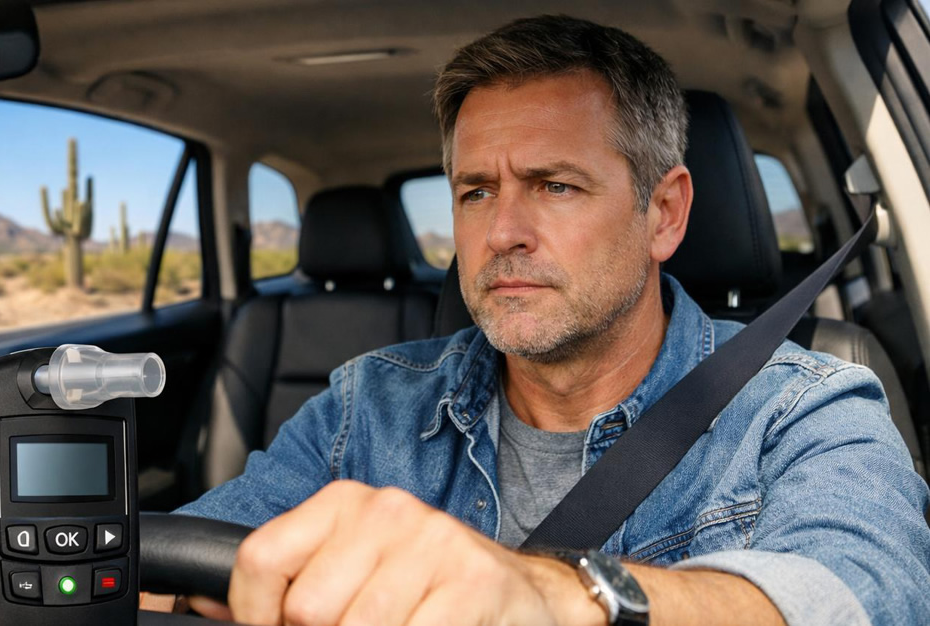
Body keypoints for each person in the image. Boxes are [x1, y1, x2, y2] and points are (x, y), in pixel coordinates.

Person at [162, 14, 930, 625]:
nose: (502, 234)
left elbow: (867, 594)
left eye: (555, 185)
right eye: (475, 192)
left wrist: (562, 598)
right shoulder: (367, 408)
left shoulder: (805, 405)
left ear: (663, 214)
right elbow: (185, 556)